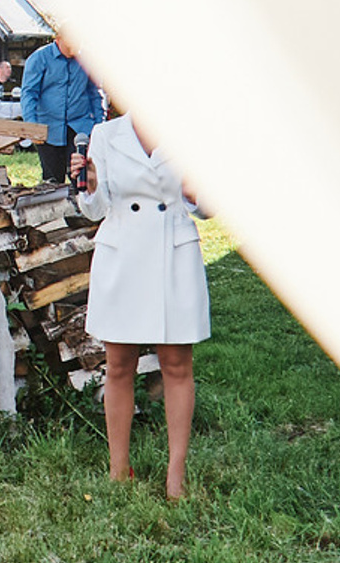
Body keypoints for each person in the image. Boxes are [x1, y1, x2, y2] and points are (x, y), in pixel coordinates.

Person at [75, 113, 209, 498]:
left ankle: (176, 476)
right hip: (123, 258)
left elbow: (206, 206)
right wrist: (90, 186)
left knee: (177, 365)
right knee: (118, 365)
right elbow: (95, 209)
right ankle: (119, 469)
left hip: (174, 255)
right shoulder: (104, 134)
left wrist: (197, 192)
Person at [20, 25, 104, 184]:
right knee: (52, 180)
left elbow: (95, 93)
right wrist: (32, 126)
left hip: (80, 129)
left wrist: (100, 126)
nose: (76, 46)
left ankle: (80, 207)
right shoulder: (39, 59)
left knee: (82, 177)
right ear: (58, 39)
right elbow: (29, 93)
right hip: (48, 128)